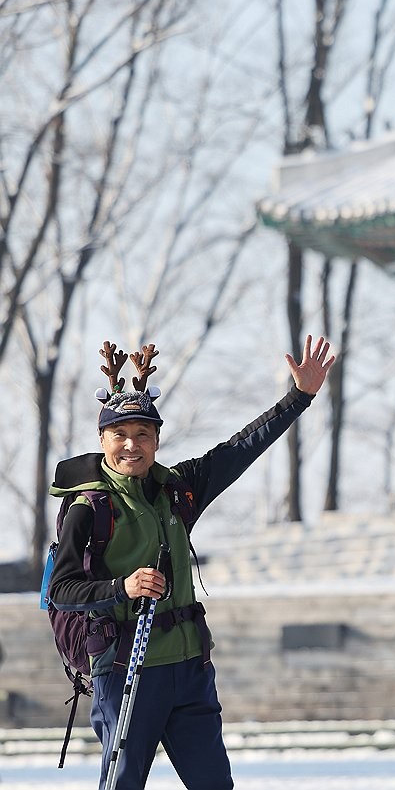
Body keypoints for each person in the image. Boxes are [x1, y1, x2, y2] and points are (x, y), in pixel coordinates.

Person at [47, 335, 335, 790]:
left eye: (143, 434)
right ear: (102, 439)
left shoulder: (177, 490)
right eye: (119, 435)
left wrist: (299, 398)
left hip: (189, 669)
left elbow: (238, 450)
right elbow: (59, 591)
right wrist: (122, 587)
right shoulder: (89, 507)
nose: (131, 445)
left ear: (157, 440)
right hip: (126, 670)